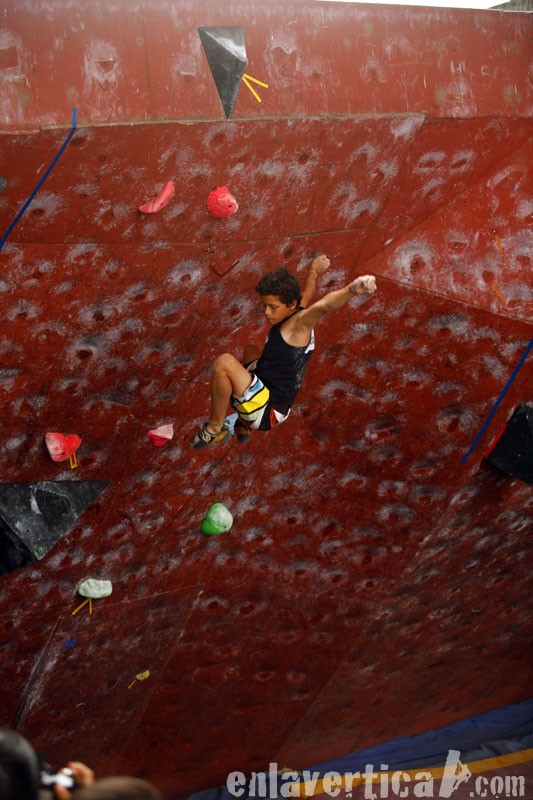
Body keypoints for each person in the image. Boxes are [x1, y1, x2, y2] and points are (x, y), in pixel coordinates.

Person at [190, 255, 377, 449]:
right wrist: (314, 269)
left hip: (268, 410)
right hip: (273, 391)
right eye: (264, 306)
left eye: (273, 307)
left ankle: (215, 428)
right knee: (250, 351)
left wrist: (352, 290)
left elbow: (324, 306)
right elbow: (307, 290)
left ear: (291, 305)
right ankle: (244, 425)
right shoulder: (295, 308)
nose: (267, 313)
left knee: (224, 363)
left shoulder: (298, 325)